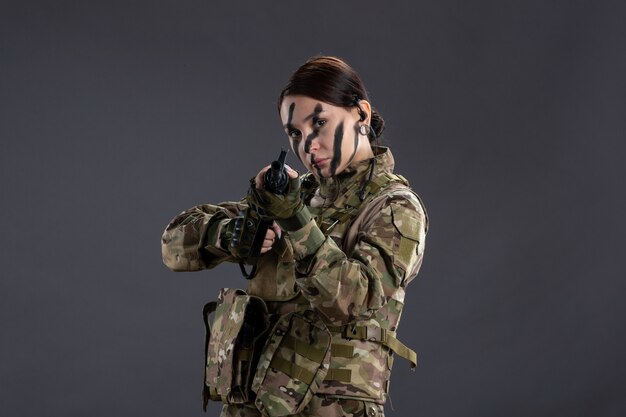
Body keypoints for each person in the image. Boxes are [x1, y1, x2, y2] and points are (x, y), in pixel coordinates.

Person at [161, 56, 428, 417]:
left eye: (319, 122)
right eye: (295, 134)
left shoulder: (396, 207)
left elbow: (354, 299)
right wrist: (234, 233)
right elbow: (173, 246)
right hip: (252, 406)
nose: (308, 145)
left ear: (361, 114)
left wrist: (295, 221)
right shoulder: (292, 195)